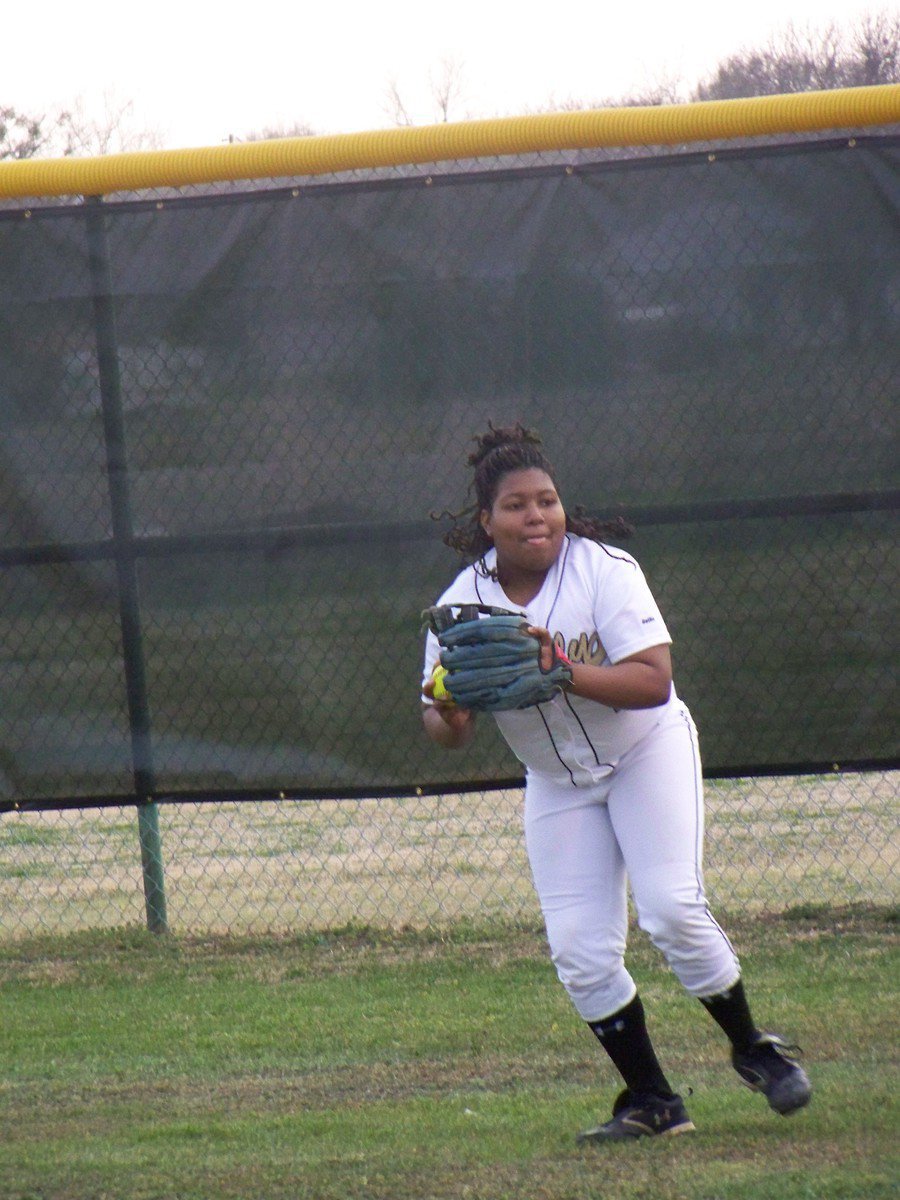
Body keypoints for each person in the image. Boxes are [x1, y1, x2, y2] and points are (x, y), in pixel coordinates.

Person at [421, 422, 811, 1142]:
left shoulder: (605, 570)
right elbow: (445, 732)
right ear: (487, 521)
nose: (535, 515)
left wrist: (561, 670)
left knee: (671, 908)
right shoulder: (462, 605)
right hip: (558, 782)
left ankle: (755, 1049)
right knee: (579, 951)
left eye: (547, 500)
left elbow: (654, 683)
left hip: (644, 752)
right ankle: (653, 1100)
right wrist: (449, 705)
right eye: (516, 505)